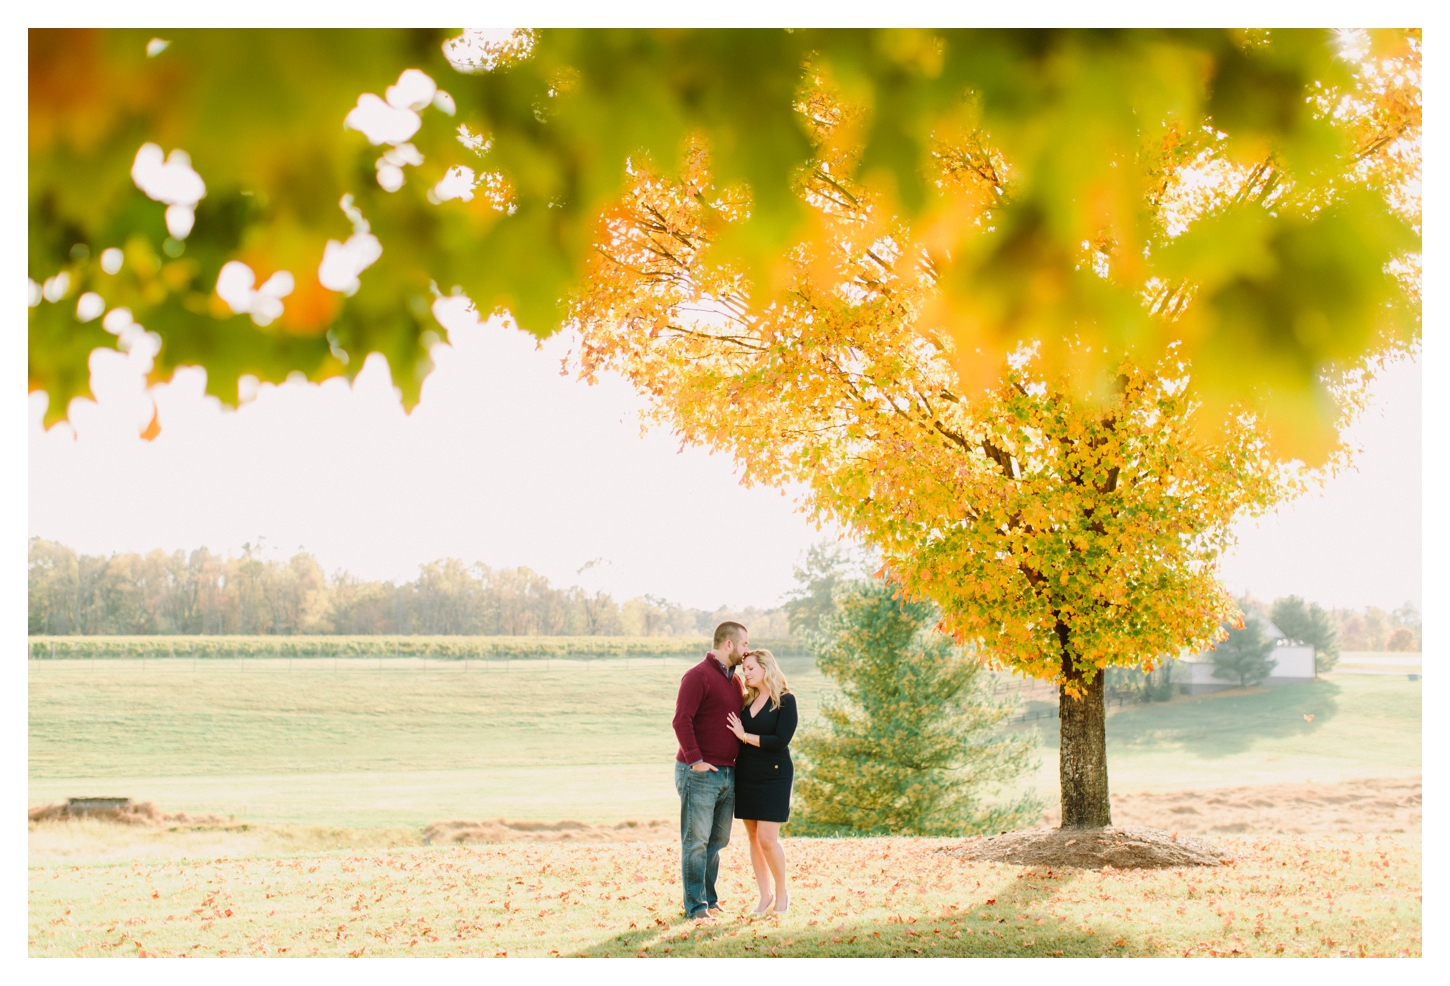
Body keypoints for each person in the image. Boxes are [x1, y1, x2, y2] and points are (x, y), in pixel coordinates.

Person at [672, 621, 749, 921]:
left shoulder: (736, 682)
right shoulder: (697, 676)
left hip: (728, 773)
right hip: (700, 772)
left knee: (717, 841)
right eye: (744, 645)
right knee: (696, 841)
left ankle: (709, 900)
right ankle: (695, 906)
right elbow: (681, 721)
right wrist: (696, 760)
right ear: (728, 644)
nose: (746, 651)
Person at [725, 648, 797, 915]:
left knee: (768, 839)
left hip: (775, 776)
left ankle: (782, 894)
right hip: (747, 775)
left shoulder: (786, 700)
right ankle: (764, 896)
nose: (747, 674)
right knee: (753, 838)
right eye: (744, 670)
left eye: (751, 669)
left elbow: (780, 741)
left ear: (767, 668)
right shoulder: (746, 700)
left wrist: (745, 736)